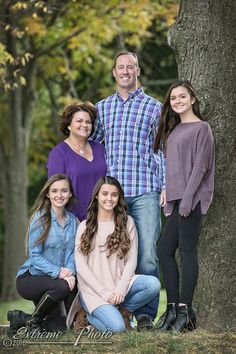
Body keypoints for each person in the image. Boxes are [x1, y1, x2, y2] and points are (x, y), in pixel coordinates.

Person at [92, 52, 165, 330]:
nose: (125, 71)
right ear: (114, 72)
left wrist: (166, 185)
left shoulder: (154, 107)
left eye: (130, 67)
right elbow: (92, 148)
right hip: (113, 196)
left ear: (138, 71)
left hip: (145, 190)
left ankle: (145, 315)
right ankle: (118, 308)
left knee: (146, 253)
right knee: (114, 254)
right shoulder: (102, 108)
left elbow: (162, 149)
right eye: (121, 67)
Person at [153, 80, 215, 332]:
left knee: (186, 252)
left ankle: (185, 313)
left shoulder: (203, 128)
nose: (177, 101)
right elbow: (172, 168)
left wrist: (188, 200)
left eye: (182, 97)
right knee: (164, 250)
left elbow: (201, 167)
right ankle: (173, 310)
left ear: (192, 98)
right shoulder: (175, 130)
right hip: (178, 199)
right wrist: (168, 194)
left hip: (193, 198)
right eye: (173, 98)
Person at [68, 176, 160, 333]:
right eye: (105, 194)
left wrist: (120, 290)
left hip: (118, 285)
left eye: (114, 195)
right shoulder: (85, 226)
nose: (109, 199)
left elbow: (131, 260)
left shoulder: (127, 222)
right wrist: (104, 292)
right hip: (94, 291)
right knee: (117, 328)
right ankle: (87, 316)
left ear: (119, 197)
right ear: (97, 195)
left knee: (153, 284)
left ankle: (123, 311)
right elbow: (81, 266)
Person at [7, 174, 78, 336]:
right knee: (63, 285)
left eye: (64, 190)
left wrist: (70, 271)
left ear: (70, 194)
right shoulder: (40, 218)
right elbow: (35, 255)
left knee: (57, 329)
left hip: (56, 282)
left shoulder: (73, 221)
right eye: (54, 191)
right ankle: (34, 321)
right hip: (30, 279)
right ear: (47, 194)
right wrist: (60, 273)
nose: (59, 195)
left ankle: (20, 318)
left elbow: (73, 252)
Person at [47, 102, 107, 221]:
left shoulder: (100, 149)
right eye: (79, 121)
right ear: (68, 125)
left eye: (88, 122)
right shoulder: (58, 153)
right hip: (74, 221)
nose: (84, 125)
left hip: (103, 219)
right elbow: (55, 192)